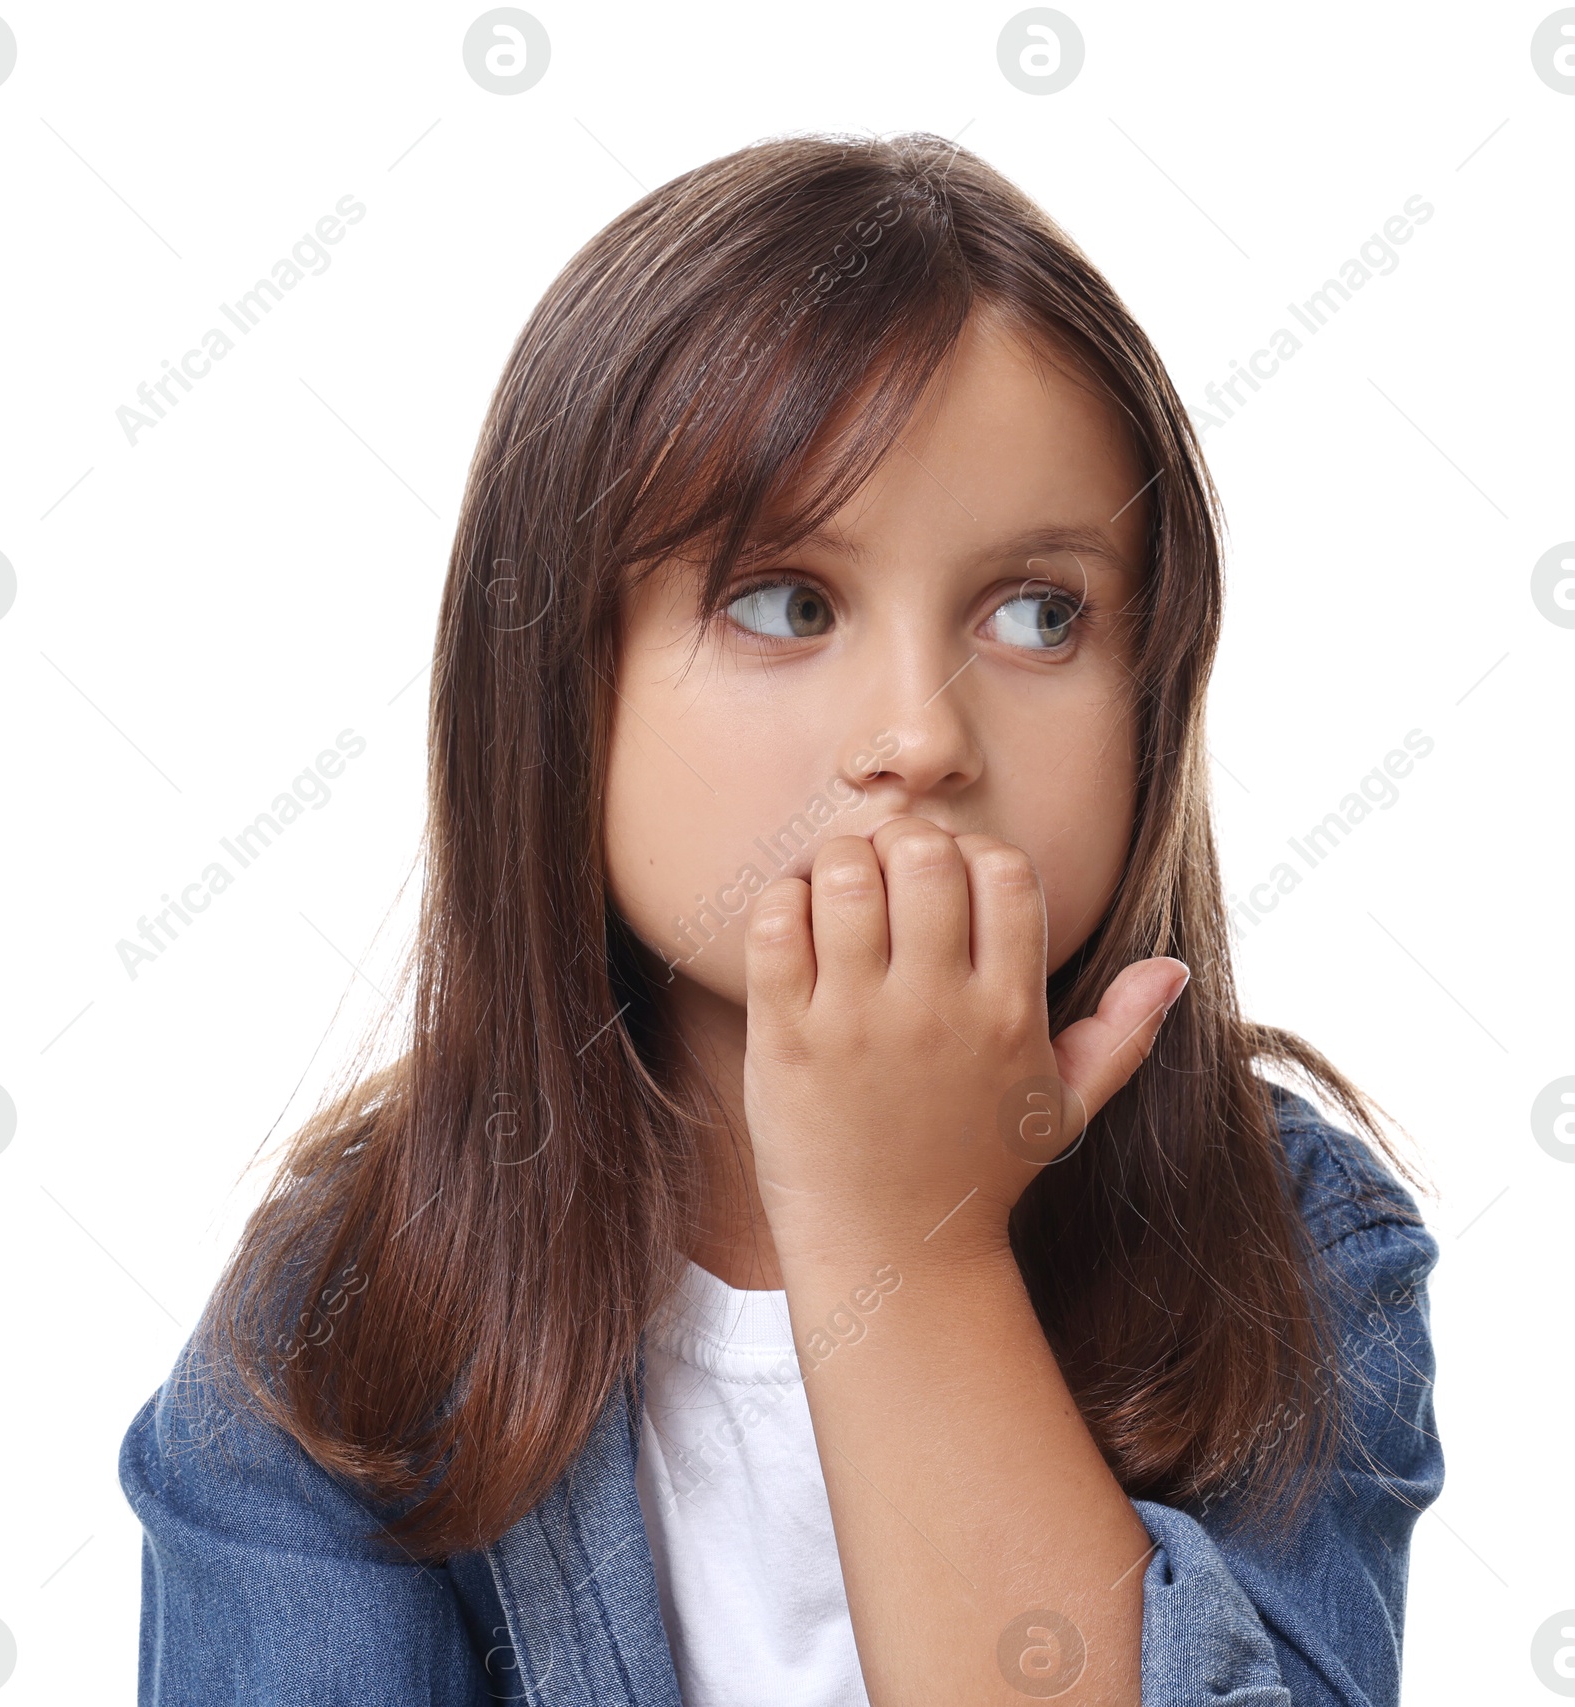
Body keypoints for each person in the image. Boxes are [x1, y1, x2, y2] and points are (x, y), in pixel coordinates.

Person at [119, 131, 1442, 1706]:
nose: (921, 734)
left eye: (1038, 614)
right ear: (557, 690)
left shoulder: (1289, 1244)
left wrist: (914, 1249)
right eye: (786, 603)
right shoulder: (342, 1318)